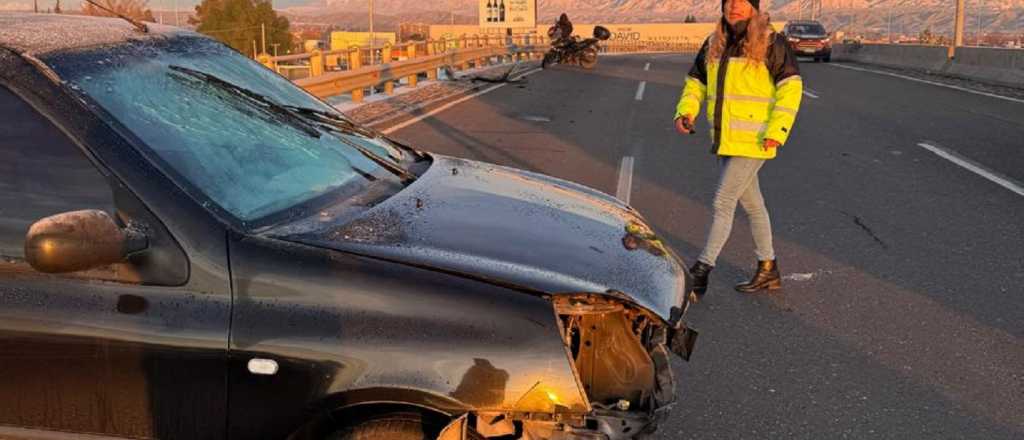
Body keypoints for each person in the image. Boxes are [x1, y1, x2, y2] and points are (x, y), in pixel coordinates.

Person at [674, 0, 802, 301]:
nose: (734, 6)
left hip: (756, 139)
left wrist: (777, 131)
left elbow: (791, 88)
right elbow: (696, 83)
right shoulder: (714, 42)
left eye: (742, 2)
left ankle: (701, 272)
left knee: (723, 201)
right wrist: (686, 111)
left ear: (754, 8)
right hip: (726, 139)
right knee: (754, 205)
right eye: (729, 1)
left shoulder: (772, 42)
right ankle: (768, 267)